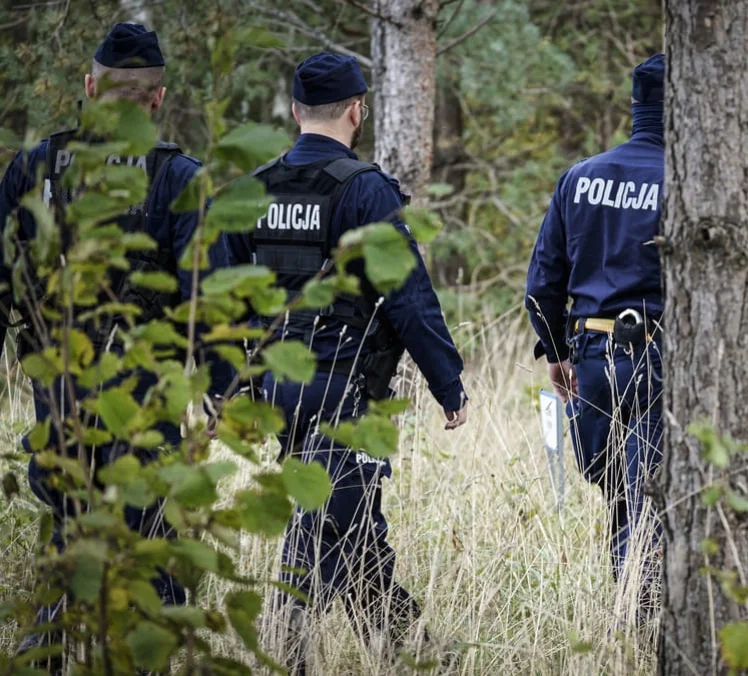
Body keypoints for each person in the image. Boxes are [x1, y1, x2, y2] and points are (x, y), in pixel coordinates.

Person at [222, 52, 468, 672]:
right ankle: (285, 647)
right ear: (358, 111)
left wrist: (228, 391)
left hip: (272, 388)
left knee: (353, 526)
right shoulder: (364, 189)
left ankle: (412, 653)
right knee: (325, 522)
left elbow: (216, 299)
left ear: (298, 112)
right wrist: (449, 382)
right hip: (339, 390)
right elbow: (409, 294)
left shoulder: (253, 190)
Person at [0, 23, 228, 665]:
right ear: (157, 99)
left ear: (90, 86)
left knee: (68, 542)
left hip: (59, 393)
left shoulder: (36, 166)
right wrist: (217, 393)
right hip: (145, 395)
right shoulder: (178, 177)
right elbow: (204, 296)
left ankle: (41, 658)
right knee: (146, 548)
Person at [525, 54, 665, 617]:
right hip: (660, 356)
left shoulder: (580, 176)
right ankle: (643, 614)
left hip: (591, 358)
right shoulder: (694, 183)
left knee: (622, 492)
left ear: (635, 106)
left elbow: (541, 282)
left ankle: (630, 607)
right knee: (648, 495)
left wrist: (557, 355)